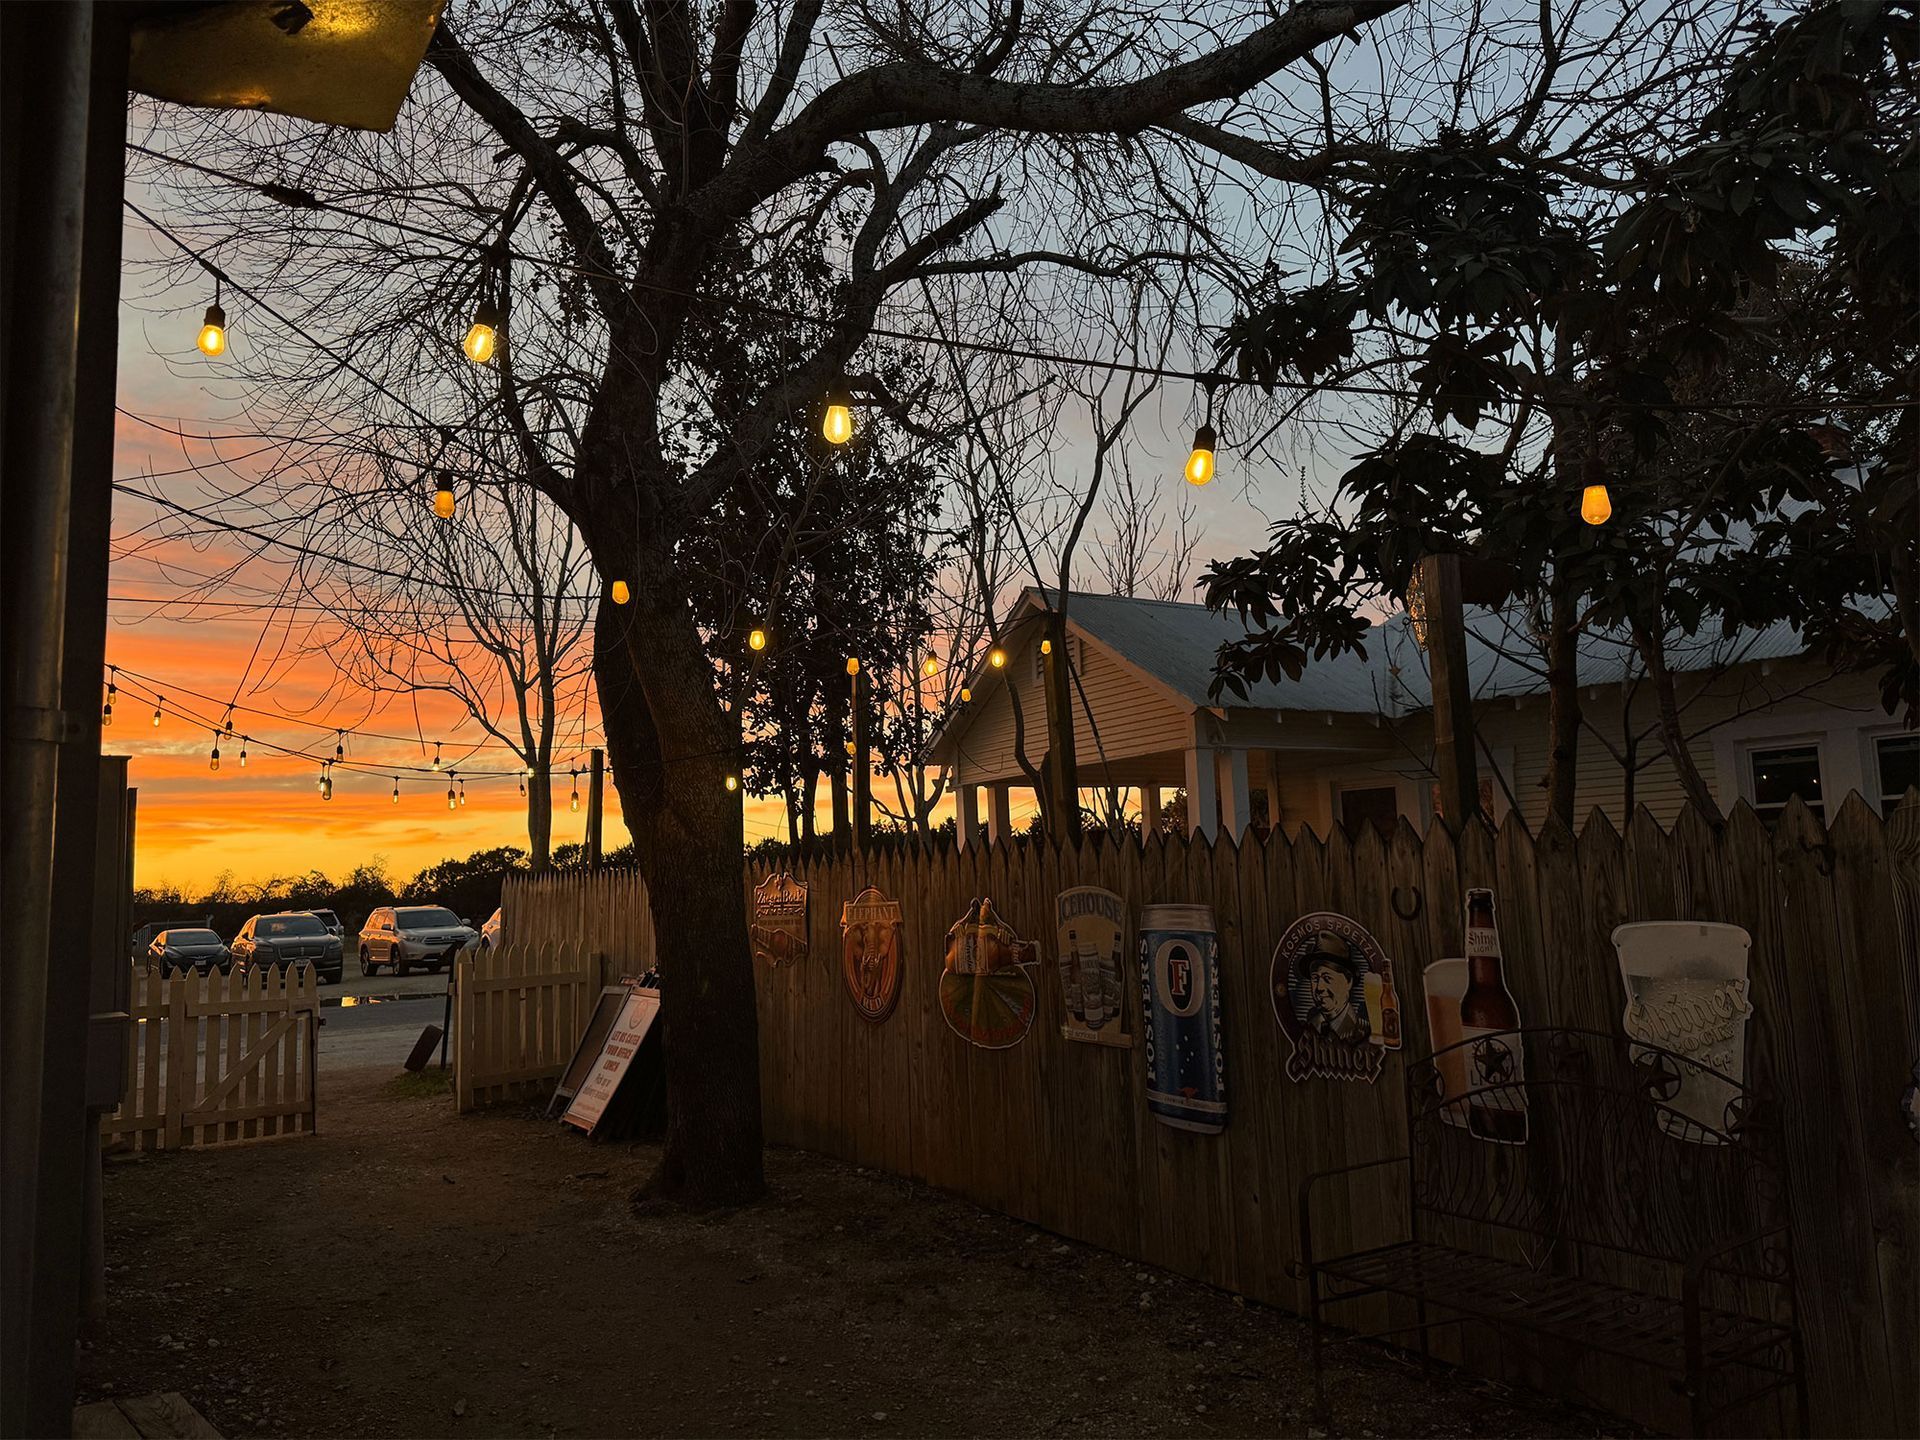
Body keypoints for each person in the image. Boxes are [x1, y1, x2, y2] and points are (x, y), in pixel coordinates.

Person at [1301, 932, 1369, 1044]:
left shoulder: (1363, 1030)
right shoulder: (1308, 1028)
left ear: (1348, 981)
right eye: (1315, 978)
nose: (1319, 987)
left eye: (1327, 978)